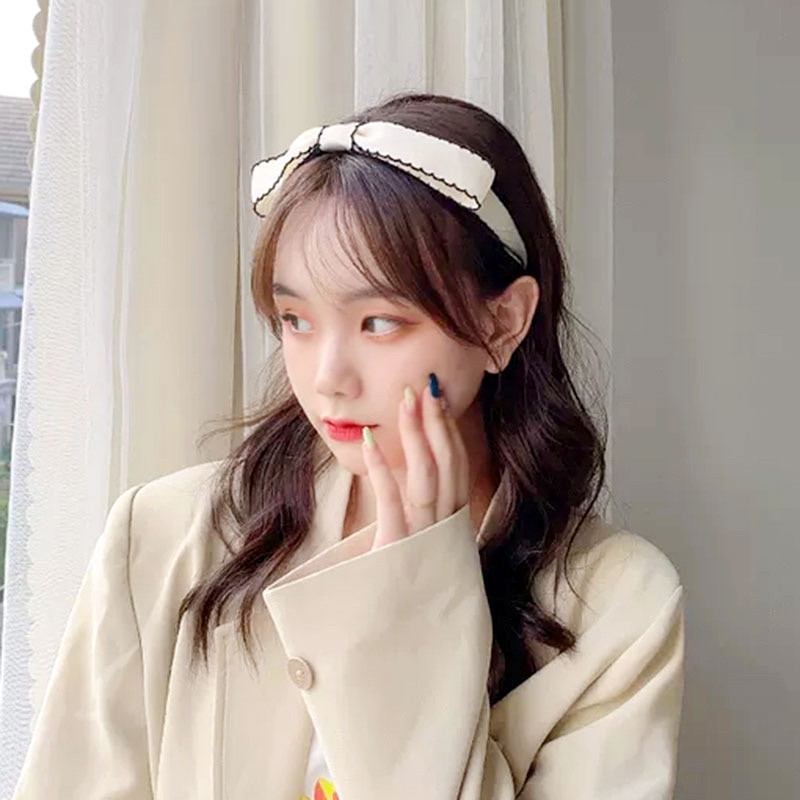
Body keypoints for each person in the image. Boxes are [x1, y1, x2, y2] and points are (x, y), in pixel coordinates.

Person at [12, 92, 685, 800]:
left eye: (380, 322)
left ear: (502, 323)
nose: (327, 377)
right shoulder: (161, 535)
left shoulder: (619, 606)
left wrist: (424, 590)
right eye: (296, 319)